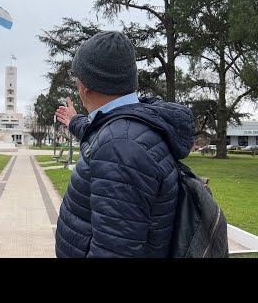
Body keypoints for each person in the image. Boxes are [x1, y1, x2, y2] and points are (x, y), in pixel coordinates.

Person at [54, 31, 194, 258]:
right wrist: (74, 121)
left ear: (85, 86)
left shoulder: (120, 147)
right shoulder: (131, 125)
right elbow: (99, 131)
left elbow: (115, 251)